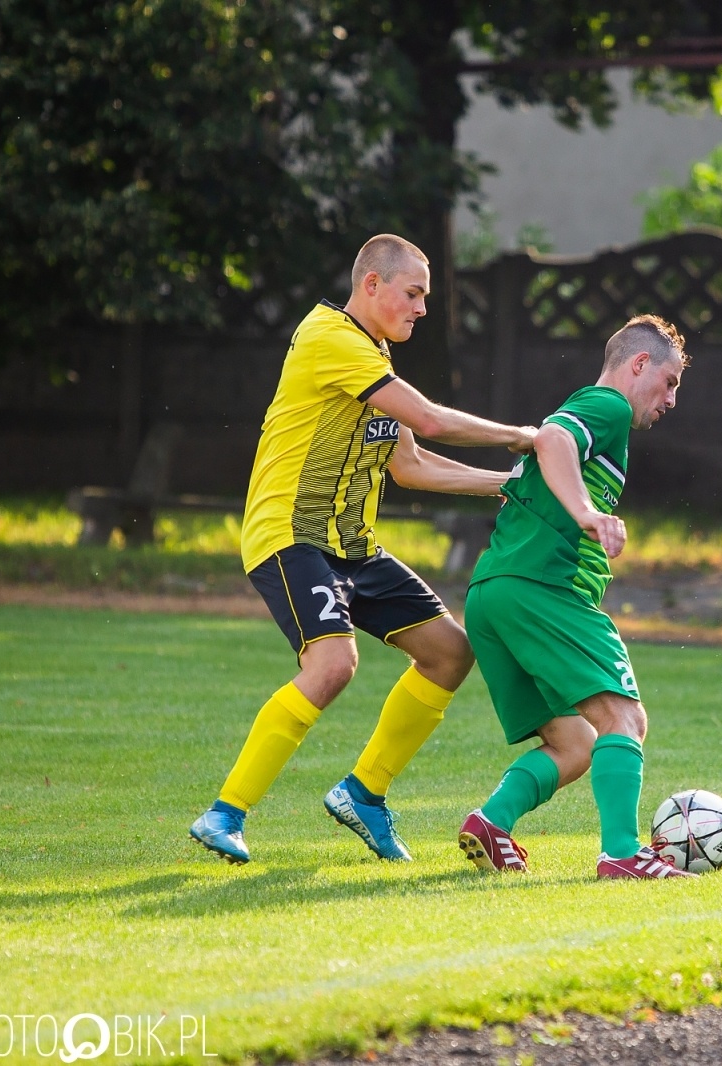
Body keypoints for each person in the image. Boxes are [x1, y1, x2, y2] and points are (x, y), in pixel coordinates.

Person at [190, 234, 538, 864]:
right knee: (332, 666)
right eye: (414, 293)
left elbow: (407, 462)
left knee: (449, 654)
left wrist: (505, 486)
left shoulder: (373, 354)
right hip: (290, 535)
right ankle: (225, 813)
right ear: (371, 285)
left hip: (352, 548)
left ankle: (364, 793)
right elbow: (429, 421)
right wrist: (520, 438)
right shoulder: (329, 339)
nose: (423, 308)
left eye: (425, 297)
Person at [456, 314, 693, 880]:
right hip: (545, 588)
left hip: (492, 593)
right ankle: (622, 853)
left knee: (575, 744)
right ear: (639, 364)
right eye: (671, 381)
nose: (672, 398)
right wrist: (588, 513)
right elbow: (553, 438)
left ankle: (492, 821)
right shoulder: (607, 407)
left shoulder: (600, 417)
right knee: (624, 719)